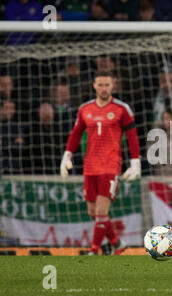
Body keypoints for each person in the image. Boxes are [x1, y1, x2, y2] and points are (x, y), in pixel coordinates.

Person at [60, 70, 141, 255]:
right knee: (93, 213)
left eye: (107, 85)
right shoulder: (85, 109)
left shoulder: (122, 109)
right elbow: (75, 134)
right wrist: (67, 156)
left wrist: (135, 163)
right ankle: (116, 243)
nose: (104, 88)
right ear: (94, 86)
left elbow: (132, 137)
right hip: (90, 166)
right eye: (100, 85)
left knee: (101, 211)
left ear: (113, 86)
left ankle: (94, 250)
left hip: (111, 165)